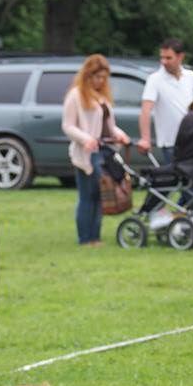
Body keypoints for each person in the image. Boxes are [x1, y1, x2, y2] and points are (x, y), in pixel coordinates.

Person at [62, 54, 130, 246]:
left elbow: (109, 126)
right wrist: (86, 139)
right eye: (97, 77)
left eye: (103, 77)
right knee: (88, 195)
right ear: (87, 75)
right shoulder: (75, 95)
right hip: (86, 153)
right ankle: (85, 238)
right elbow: (68, 126)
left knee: (101, 193)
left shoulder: (102, 97)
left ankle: (96, 236)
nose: (100, 81)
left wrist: (121, 135)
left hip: (104, 152)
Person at [138, 38, 193, 163]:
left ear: (180, 57)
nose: (164, 62)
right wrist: (145, 139)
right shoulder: (155, 79)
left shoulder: (190, 76)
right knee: (178, 180)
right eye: (162, 57)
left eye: (168, 58)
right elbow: (146, 110)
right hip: (171, 143)